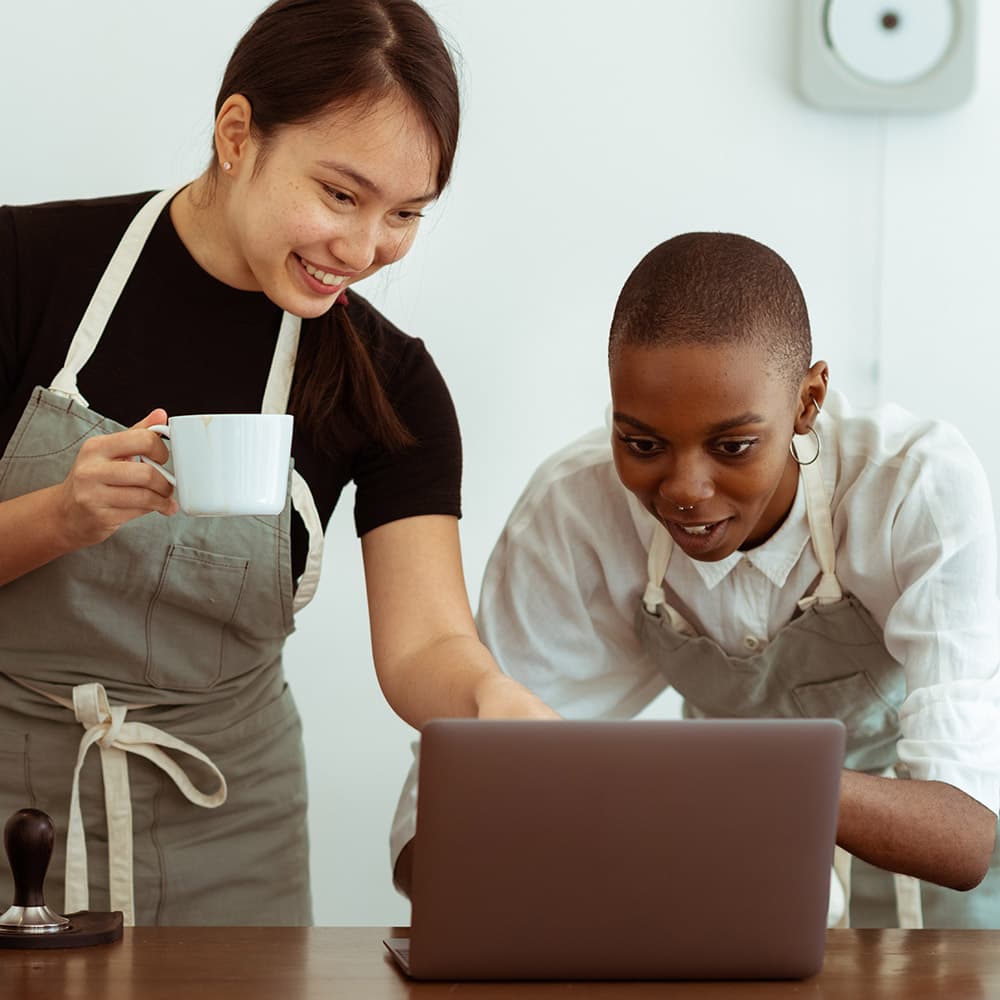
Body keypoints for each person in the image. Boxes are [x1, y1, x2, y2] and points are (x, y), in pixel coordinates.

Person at [0, 0, 555, 928]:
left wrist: (490, 699)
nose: (364, 249)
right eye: (340, 194)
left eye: (405, 214)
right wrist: (61, 514)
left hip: (234, 829)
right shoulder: (24, 268)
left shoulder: (393, 381)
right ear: (237, 135)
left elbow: (424, 644)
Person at [390, 232, 1000, 929]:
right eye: (641, 444)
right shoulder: (575, 512)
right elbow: (436, 831)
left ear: (808, 401)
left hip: (938, 904)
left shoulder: (913, 488)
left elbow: (962, 835)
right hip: (743, 878)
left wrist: (727, 779)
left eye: (733, 446)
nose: (683, 490)